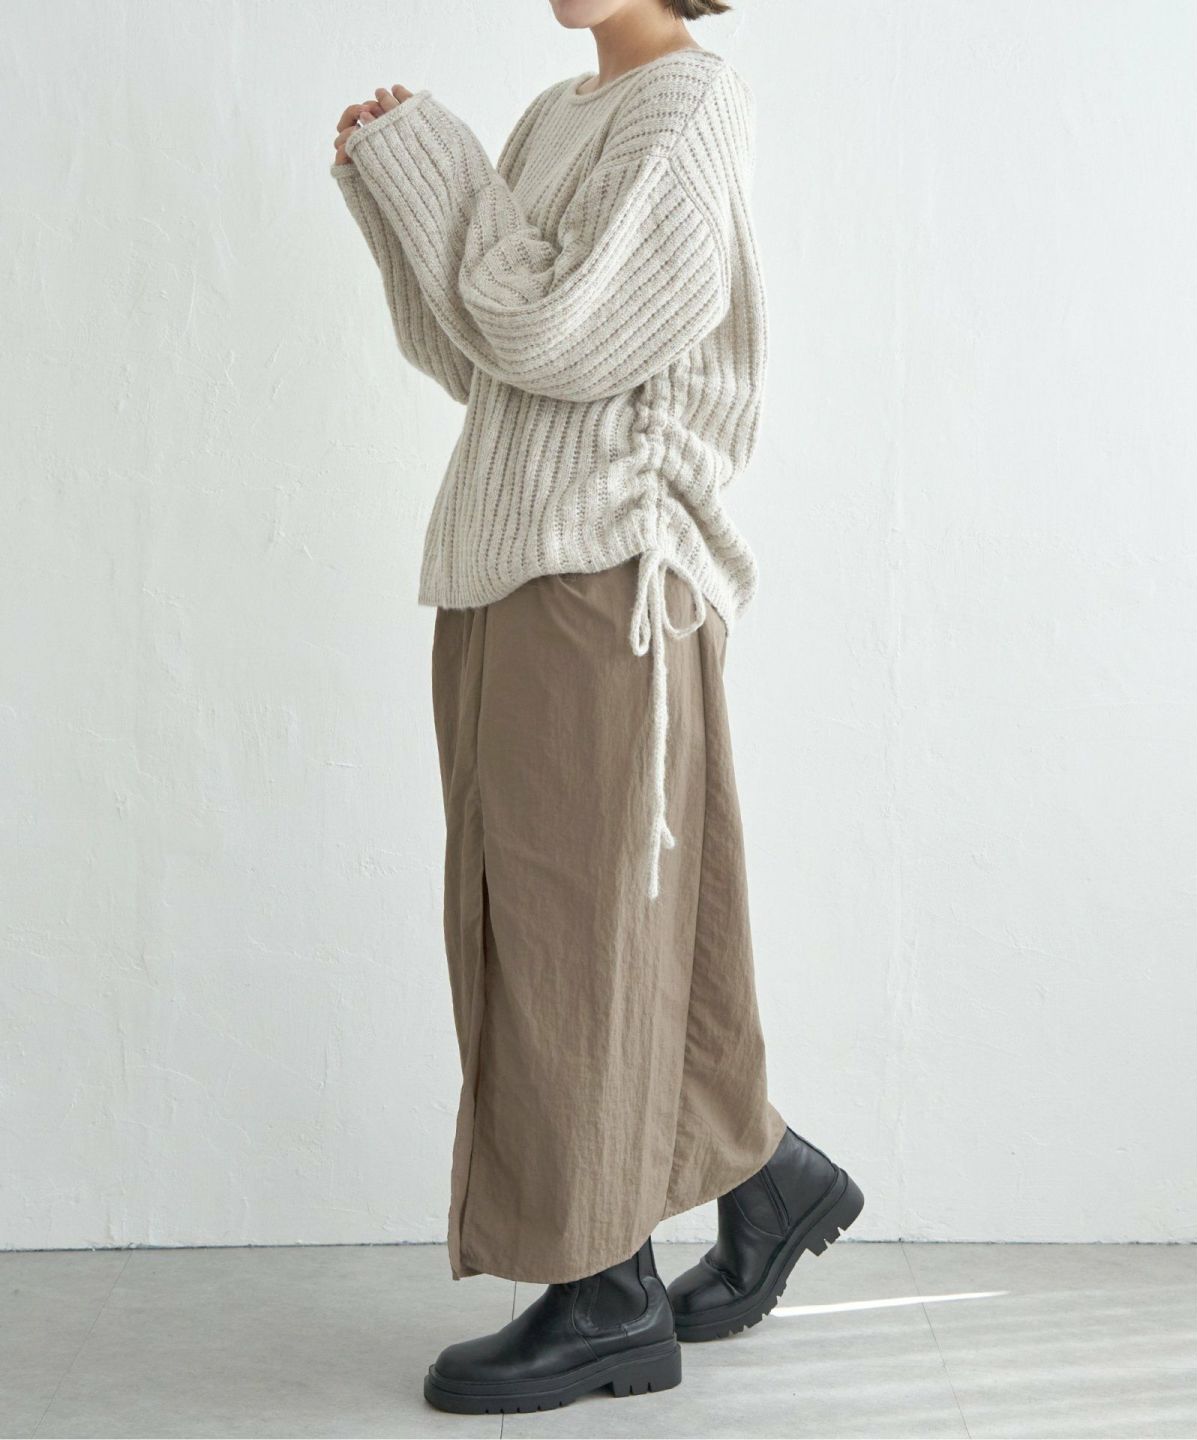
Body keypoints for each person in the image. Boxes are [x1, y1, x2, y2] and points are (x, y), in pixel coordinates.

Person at [330, 0, 863, 1415]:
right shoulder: (559, 117)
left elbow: (560, 332)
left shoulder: (688, 106)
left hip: (609, 565)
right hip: (519, 553)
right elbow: (479, 356)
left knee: (571, 931)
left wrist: (440, 168)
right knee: (577, 919)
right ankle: (767, 1178)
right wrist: (401, 186)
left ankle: (607, 1291)